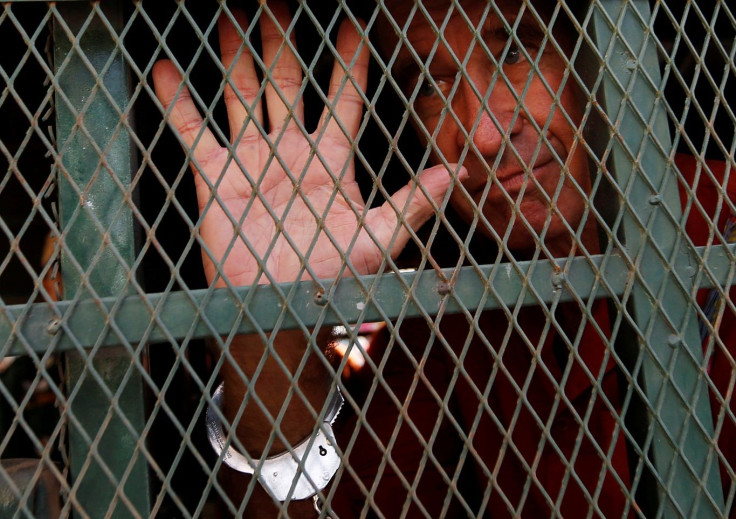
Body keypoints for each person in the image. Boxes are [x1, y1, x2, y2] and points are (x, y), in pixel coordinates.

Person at [152, 1, 735, 517]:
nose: (481, 134)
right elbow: (334, 500)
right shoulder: (458, 302)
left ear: (600, 53)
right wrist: (269, 331)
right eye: (432, 83)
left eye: (515, 49)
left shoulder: (722, 231)